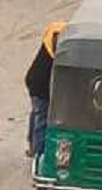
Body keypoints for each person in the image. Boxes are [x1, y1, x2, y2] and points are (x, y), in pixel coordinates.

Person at [25, 21, 65, 158]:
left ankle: (31, 145)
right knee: (42, 118)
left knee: (36, 114)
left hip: (33, 81)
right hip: (41, 86)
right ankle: (39, 153)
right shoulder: (58, 50)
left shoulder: (51, 37)